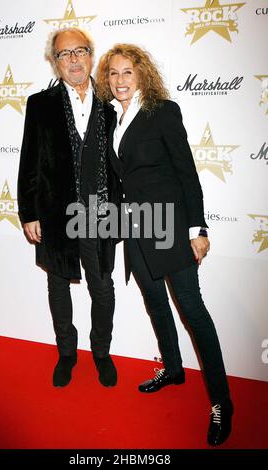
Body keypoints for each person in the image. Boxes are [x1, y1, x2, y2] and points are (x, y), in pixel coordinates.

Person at [96, 44, 233, 446]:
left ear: (142, 76)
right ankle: (172, 369)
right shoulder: (113, 120)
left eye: (128, 73)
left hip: (171, 226)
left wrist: (198, 228)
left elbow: (187, 173)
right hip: (137, 229)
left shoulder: (163, 111)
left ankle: (222, 401)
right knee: (155, 302)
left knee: (192, 309)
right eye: (113, 74)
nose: (120, 80)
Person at [17, 28, 118, 389]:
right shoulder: (39, 104)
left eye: (80, 51)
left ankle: (102, 352)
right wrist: (28, 212)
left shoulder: (109, 108)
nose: (74, 59)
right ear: (55, 62)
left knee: (103, 288)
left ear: (91, 55)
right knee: (58, 285)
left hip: (100, 214)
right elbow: (29, 162)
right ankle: (67, 353)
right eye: (64, 54)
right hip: (55, 214)